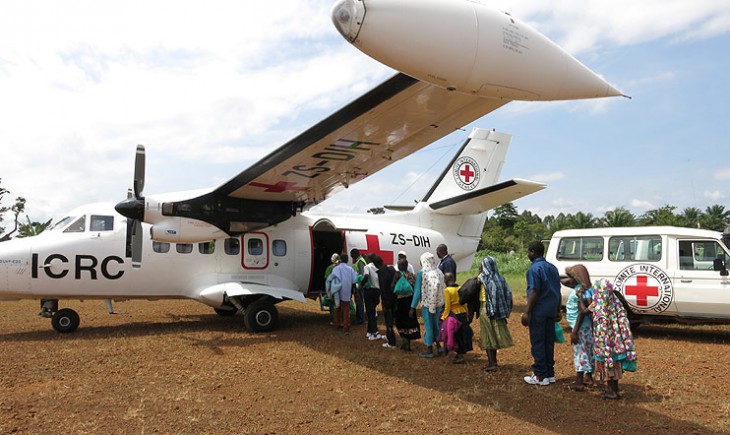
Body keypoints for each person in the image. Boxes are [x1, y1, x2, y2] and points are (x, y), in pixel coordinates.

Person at [521, 240, 561, 386]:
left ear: (532, 252)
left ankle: (540, 375)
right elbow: (557, 290)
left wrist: (527, 311)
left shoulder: (534, 269)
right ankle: (550, 374)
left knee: (537, 342)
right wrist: (557, 310)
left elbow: (534, 290)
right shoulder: (553, 268)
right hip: (551, 310)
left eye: (528, 251)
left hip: (539, 311)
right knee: (548, 342)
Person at [591, 279, 637, 400]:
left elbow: (601, 329)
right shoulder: (616, 303)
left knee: (608, 367)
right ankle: (615, 389)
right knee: (615, 366)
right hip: (618, 344)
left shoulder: (600, 307)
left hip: (605, 345)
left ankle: (611, 392)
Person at [478, 256, 514, 372]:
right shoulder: (500, 278)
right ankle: (494, 362)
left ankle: (492, 363)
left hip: (486, 309)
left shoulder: (482, 278)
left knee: (488, 336)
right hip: (498, 311)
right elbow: (508, 295)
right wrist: (506, 310)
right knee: (494, 334)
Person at [562, 264, 595, 391]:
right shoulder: (586, 289)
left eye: (572, 277)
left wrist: (574, 332)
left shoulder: (581, 292)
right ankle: (589, 377)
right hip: (587, 328)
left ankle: (579, 381)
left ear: (577, 278)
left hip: (580, 327)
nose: (569, 280)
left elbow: (582, 312)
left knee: (580, 353)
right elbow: (564, 280)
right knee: (588, 351)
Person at [410, 252, 445, 358]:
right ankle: (439, 347)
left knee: (429, 326)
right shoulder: (439, 272)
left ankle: (429, 350)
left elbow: (417, 291)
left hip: (427, 305)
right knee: (436, 326)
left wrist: (413, 307)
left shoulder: (422, 273)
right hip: (438, 304)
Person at [440, 272, 473, 364]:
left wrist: (444, 317)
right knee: (463, 334)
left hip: (454, 315)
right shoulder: (460, 288)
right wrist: (467, 314)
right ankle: (462, 354)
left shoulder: (447, 291)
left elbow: (447, 306)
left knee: (455, 335)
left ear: (448, 280)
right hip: (462, 314)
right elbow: (464, 302)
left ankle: (459, 355)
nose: (444, 280)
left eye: (445, 279)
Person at [392, 257, 420, 351]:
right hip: (410, 301)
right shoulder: (412, 275)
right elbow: (415, 288)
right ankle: (408, 342)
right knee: (409, 321)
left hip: (401, 301)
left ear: (400, 266)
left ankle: (405, 341)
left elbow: (392, 287)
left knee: (400, 321)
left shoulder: (397, 274)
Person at [326, 253, 357, 334]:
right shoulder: (350, 269)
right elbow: (354, 281)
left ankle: (337, 324)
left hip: (337, 290)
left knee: (337, 308)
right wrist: (354, 291)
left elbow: (329, 278)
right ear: (347, 260)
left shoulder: (336, 269)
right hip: (346, 291)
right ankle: (346, 327)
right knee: (346, 309)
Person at [360, 253, 385, 341]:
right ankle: (369, 331)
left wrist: (361, 284)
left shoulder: (367, 267)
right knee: (373, 310)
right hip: (377, 291)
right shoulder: (377, 267)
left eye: (366, 258)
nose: (365, 259)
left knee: (370, 312)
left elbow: (366, 276)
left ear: (369, 259)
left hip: (369, 290)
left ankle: (375, 332)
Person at [376, 255, 397, 349]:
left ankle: (391, 342)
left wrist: (384, 303)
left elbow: (383, 290)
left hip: (387, 300)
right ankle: (390, 337)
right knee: (393, 320)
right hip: (395, 298)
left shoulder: (381, 273)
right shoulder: (391, 269)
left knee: (388, 322)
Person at [350, 248, 367, 325]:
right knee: (358, 301)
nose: (351, 257)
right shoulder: (359, 261)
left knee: (359, 302)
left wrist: (359, 286)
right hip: (358, 285)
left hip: (359, 286)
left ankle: (361, 319)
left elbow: (362, 275)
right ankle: (359, 318)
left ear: (355, 254)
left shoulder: (360, 262)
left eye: (351, 255)